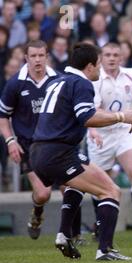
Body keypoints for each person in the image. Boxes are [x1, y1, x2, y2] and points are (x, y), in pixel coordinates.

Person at [29, 42, 132, 261]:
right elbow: (88, 117)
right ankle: (105, 250)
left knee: (77, 187)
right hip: (57, 152)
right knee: (111, 191)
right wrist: (122, 116)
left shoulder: (58, 81)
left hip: (39, 151)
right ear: (90, 66)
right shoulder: (81, 83)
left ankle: (63, 235)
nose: (100, 70)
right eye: (99, 64)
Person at [87, 42, 132, 241]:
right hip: (101, 134)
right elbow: (92, 111)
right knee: (100, 184)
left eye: (115, 54)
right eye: (107, 54)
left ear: (121, 57)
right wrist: (92, 130)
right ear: (101, 57)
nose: (111, 58)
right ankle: (100, 224)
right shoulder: (95, 80)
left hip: (125, 132)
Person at [0, 40, 60, 240]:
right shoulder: (16, 83)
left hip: (55, 145)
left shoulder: (58, 80)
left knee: (71, 188)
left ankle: (71, 234)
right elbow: (2, 117)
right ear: (26, 58)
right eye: (33, 56)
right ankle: (37, 214)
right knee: (43, 194)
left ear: (47, 56)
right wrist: (10, 141)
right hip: (28, 146)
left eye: (41, 55)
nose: (37, 60)